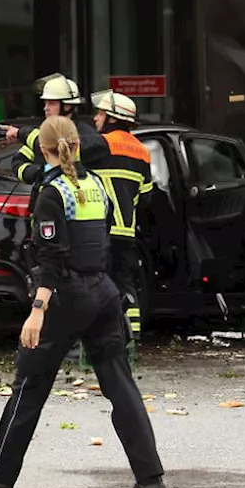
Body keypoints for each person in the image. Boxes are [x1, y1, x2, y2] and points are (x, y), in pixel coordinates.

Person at [0, 115, 167, 488]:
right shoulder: (95, 185)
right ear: (78, 145)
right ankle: (151, 481)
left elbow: (51, 257)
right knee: (121, 387)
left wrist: (38, 309)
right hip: (103, 291)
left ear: (43, 149)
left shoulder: (52, 191)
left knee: (29, 387)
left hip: (66, 295)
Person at [88, 90, 153, 346]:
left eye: (100, 113)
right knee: (125, 284)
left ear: (112, 118)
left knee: (97, 284)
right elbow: (146, 197)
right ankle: (132, 336)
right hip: (126, 232)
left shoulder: (100, 144)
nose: (95, 119)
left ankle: (102, 337)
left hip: (100, 230)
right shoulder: (143, 152)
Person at [2, 73, 107, 188]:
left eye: (51, 103)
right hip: (46, 198)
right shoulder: (43, 132)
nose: (45, 108)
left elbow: (55, 145)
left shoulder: (88, 135)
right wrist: (39, 172)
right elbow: (18, 162)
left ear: (67, 106)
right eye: (45, 103)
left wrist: (20, 133)